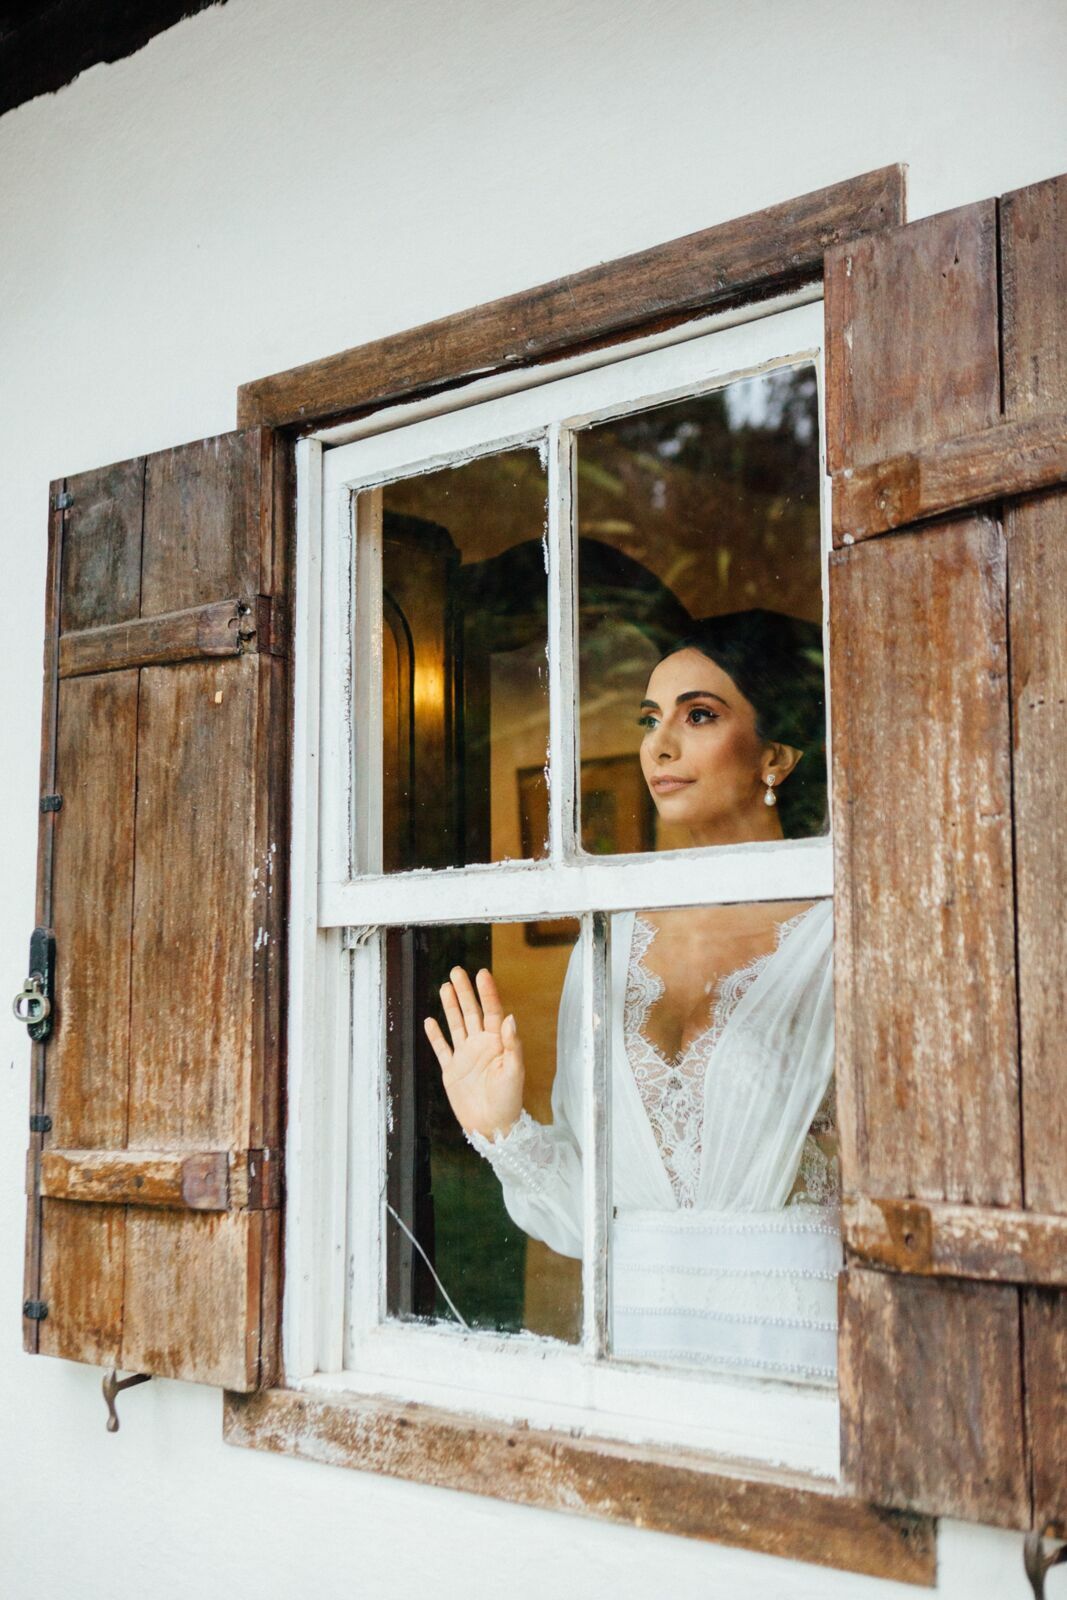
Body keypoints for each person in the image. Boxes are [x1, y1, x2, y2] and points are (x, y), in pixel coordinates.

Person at [423, 610, 839, 1382]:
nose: (660, 744)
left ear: (774, 754)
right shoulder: (611, 944)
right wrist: (502, 1127)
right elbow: (589, 1218)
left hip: (802, 1336)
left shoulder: (841, 931)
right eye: (651, 718)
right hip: (635, 1338)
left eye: (699, 715)